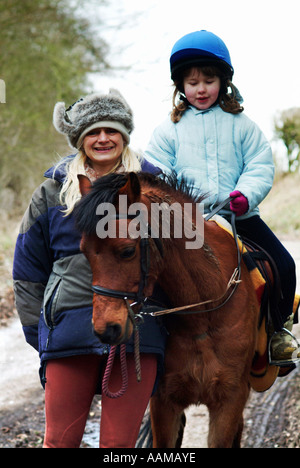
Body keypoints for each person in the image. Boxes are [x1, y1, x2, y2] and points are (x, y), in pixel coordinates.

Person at [13, 89, 167, 448]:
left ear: (124, 135)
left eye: (111, 130)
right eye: (93, 132)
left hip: (138, 335)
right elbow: (27, 270)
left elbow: (182, 261)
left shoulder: (156, 190)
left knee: (118, 449)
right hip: (68, 329)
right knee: (59, 443)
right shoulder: (51, 193)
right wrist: (39, 331)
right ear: (80, 139)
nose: (103, 138)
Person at [145, 30, 299, 365]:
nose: (200, 89)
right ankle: (150, 343)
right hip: (187, 226)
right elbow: (157, 175)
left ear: (223, 81)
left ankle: (279, 333)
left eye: (209, 80)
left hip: (238, 217)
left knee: (284, 265)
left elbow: (259, 165)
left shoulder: (243, 126)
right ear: (180, 87)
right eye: (192, 82)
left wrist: (244, 195)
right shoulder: (166, 132)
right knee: (151, 275)